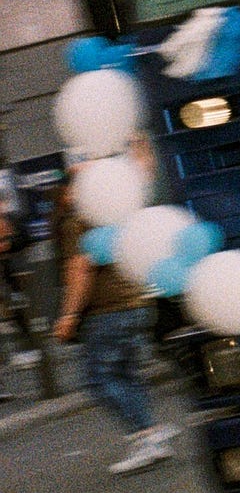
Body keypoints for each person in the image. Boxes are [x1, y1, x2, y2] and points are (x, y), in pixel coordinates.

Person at [51, 164, 177, 475]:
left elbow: (80, 269)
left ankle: (145, 436)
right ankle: (151, 434)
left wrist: (69, 314)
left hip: (107, 311)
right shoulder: (115, 215)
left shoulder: (76, 221)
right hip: (135, 304)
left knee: (99, 380)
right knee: (126, 375)